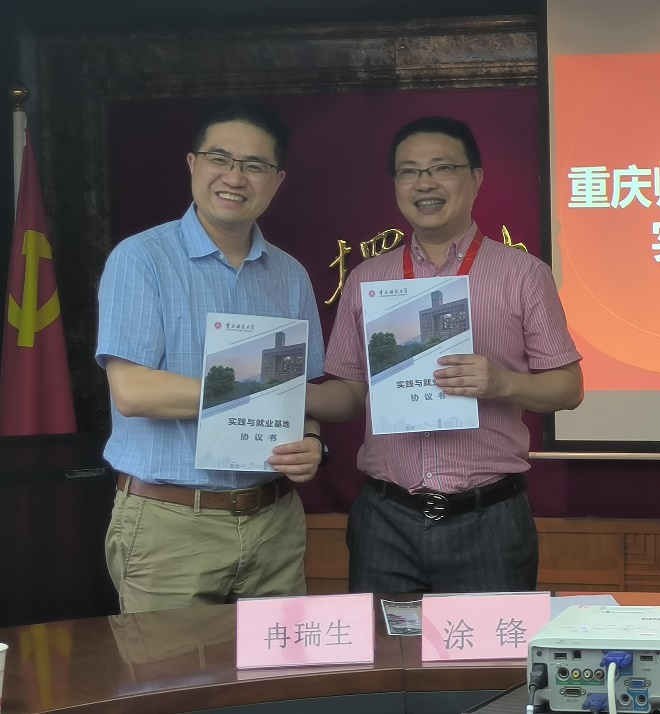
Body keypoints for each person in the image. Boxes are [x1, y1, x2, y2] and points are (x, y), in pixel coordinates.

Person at [307, 116, 583, 594]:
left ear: (475, 178)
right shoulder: (367, 279)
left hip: (488, 518)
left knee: (489, 648)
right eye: (409, 171)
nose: (424, 183)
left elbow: (569, 388)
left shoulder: (522, 274)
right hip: (386, 518)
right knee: (385, 646)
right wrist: (279, 397)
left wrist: (502, 382)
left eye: (441, 168)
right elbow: (349, 394)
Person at [96, 97, 327, 614]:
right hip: (171, 524)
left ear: (277, 180)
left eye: (255, 165)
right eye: (219, 158)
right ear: (192, 164)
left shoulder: (290, 275)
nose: (234, 177)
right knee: (170, 669)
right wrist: (255, 389)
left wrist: (312, 441)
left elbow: (300, 397)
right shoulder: (141, 259)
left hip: (274, 524)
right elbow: (133, 392)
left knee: (278, 667)